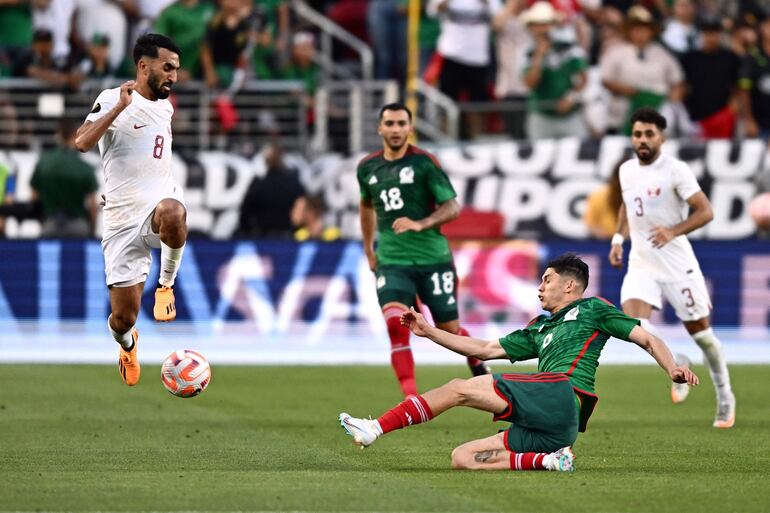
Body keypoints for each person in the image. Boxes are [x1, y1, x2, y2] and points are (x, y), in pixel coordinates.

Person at [340, 254, 699, 471]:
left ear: (571, 286)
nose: (540, 287)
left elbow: (648, 337)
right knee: (462, 458)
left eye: (547, 280)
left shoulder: (593, 309)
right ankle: (550, 460)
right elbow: (482, 349)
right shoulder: (540, 327)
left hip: (562, 393)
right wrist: (429, 331)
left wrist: (672, 369)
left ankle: (376, 428)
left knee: (457, 389)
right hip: (554, 428)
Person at [608, 107, 735, 428]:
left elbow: (705, 211)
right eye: (637, 134)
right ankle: (675, 360)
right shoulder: (626, 170)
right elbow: (626, 204)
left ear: (662, 137)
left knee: (704, 337)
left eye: (649, 134)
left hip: (677, 265)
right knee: (635, 326)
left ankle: (725, 396)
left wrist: (672, 230)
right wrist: (618, 240)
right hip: (641, 262)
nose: (642, 140)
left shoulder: (675, 170)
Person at [74, 34, 187, 387]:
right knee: (123, 318)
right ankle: (127, 346)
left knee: (174, 212)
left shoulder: (166, 107)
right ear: (143, 66)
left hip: (157, 207)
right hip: (122, 219)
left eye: (177, 70)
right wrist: (119, 108)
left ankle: (166, 286)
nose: (173, 76)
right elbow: (81, 142)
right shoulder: (112, 98)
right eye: (167, 68)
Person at [358, 102, 490, 399]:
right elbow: (366, 206)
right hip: (392, 260)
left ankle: (476, 360)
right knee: (396, 323)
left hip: (434, 260)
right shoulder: (367, 167)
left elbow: (453, 207)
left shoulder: (425, 163)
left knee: (449, 330)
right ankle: (411, 398)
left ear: (410, 128)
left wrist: (422, 223)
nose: (395, 129)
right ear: (380, 128)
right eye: (389, 123)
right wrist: (369, 248)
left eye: (401, 123)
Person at [31, 118, 98, 237]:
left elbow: (34, 197)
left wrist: (43, 221)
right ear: (75, 135)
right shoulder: (84, 167)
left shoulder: (43, 163)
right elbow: (93, 205)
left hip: (50, 225)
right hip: (78, 227)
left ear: (59, 134)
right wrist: (92, 231)